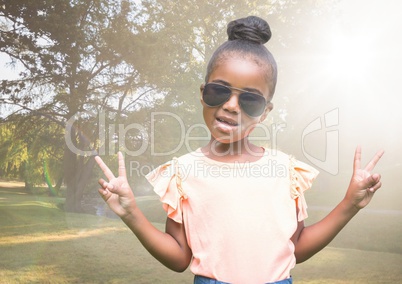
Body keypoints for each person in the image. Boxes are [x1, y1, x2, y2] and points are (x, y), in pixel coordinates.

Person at [95, 16, 384, 284]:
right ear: (202, 93)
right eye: (219, 91)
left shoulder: (285, 171)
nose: (232, 105)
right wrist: (131, 213)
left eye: (250, 101)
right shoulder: (182, 173)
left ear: (266, 112)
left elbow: (295, 248)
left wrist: (350, 204)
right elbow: (180, 258)